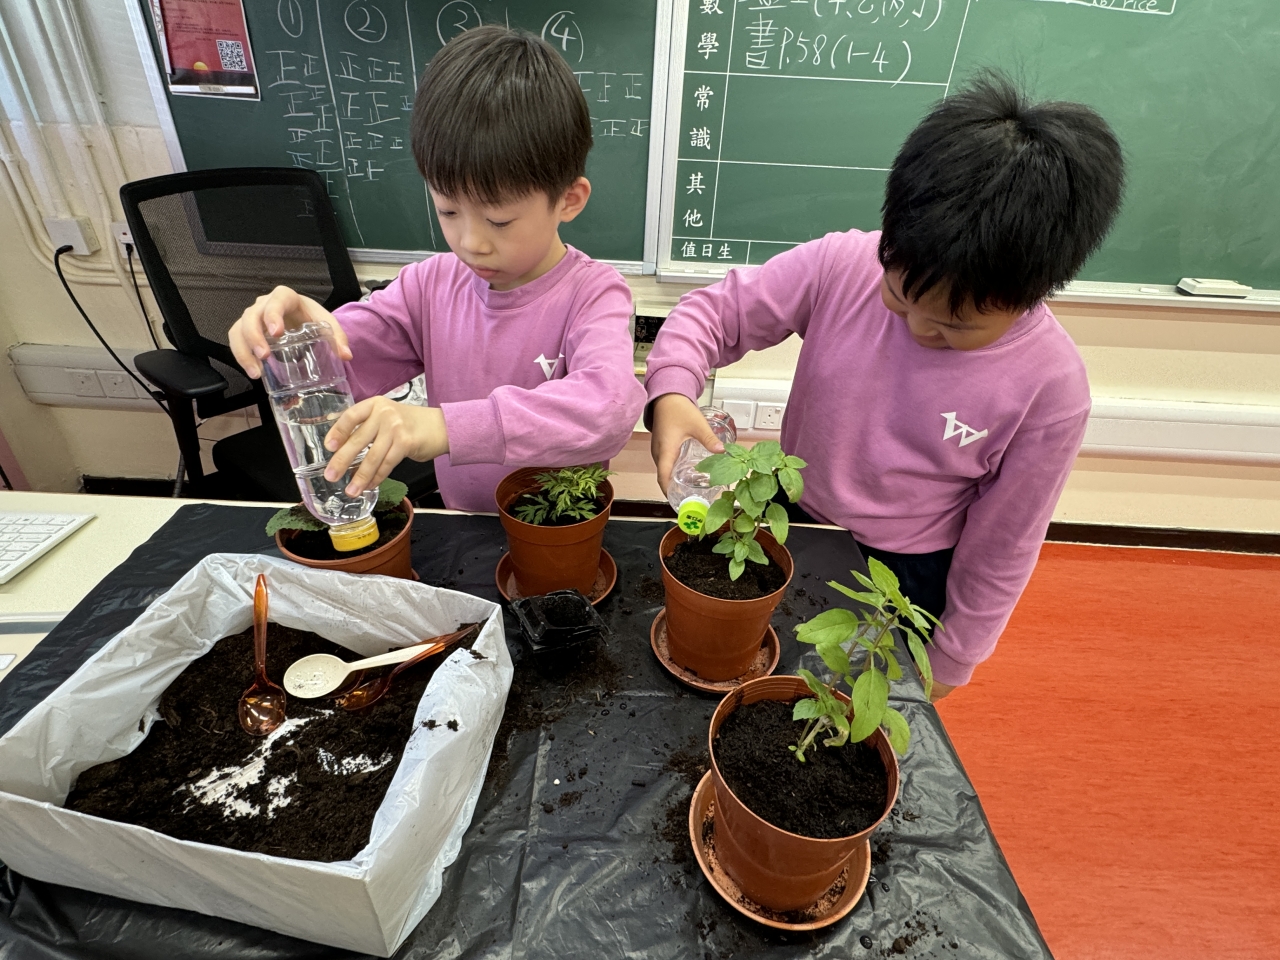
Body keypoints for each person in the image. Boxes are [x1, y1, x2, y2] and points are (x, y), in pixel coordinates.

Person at [645, 73, 1125, 699]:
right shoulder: (843, 264)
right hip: (789, 519)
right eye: (898, 296)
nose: (919, 328)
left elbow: (1004, 546)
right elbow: (713, 314)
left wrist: (952, 659)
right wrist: (673, 390)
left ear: (1032, 293)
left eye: (954, 326)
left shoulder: (1051, 389)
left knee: (845, 712)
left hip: (903, 573)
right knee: (751, 680)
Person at [229, 26, 645, 511]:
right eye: (448, 210)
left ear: (569, 200)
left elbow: (608, 409)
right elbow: (338, 369)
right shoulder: (428, 286)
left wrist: (447, 427)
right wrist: (295, 339)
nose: (471, 242)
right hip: (459, 523)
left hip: (560, 535)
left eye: (499, 220)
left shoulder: (593, 293)